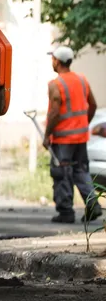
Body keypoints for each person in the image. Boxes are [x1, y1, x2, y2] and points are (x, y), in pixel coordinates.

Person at [43, 45, 101, 223]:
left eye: (53, 59)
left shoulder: (56, 84)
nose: (52, 62)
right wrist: (83, 124)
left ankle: (66, 212)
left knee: (62, 173)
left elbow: (55, 112)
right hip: (81, 138)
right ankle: (93, 205)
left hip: (63, 139)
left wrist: (47, 135)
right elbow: (93, 105)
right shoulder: (82, 80)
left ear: (58, 61)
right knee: (81, 171)